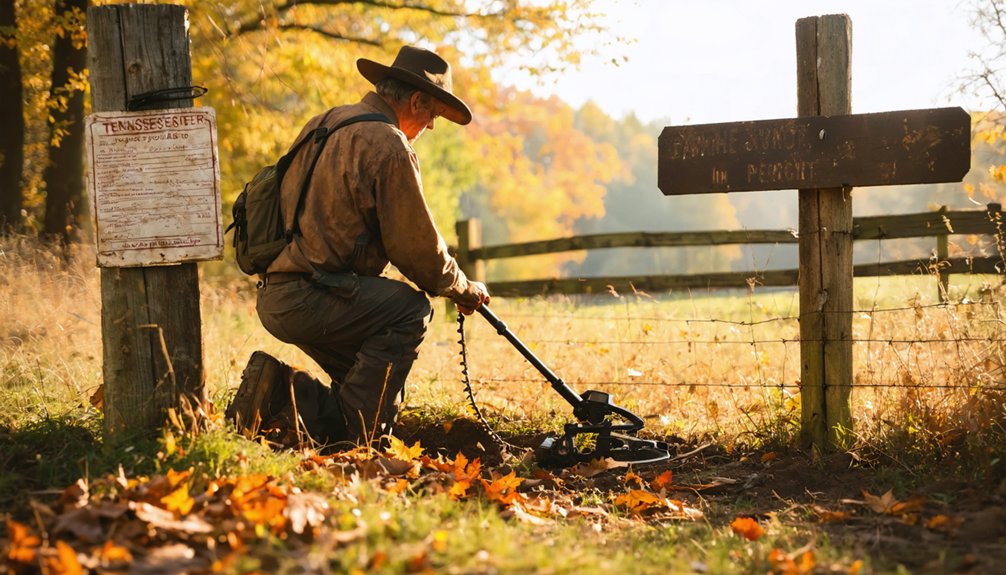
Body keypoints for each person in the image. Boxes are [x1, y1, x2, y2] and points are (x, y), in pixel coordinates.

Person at [251, 45, 490, 447]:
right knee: (410, 311)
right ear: (416, 101)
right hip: (312, 297)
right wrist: (463, 288)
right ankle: (361, 445)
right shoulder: (389, 145)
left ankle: (277, 395)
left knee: (367, 382)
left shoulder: (323, 123)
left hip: (277, 294)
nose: (432, 126)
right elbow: (418, 252)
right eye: (433, 113)